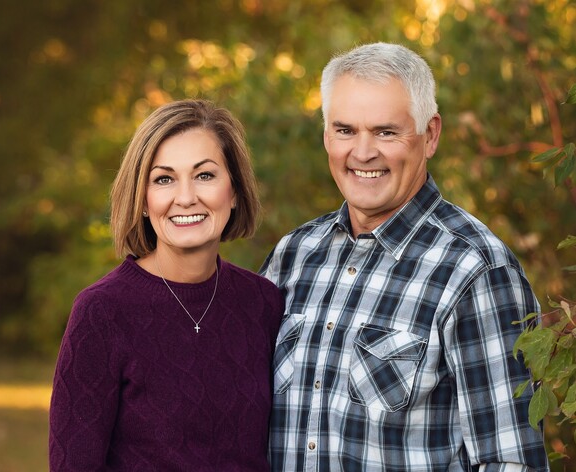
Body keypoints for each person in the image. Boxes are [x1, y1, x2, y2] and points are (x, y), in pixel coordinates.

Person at [260, 42, 549, 471]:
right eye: (345, 130)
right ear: (325, 135)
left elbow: (509, 461)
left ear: (430, 135)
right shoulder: (294, 256)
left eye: (385, 132)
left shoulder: (475, 271)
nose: (362, 153)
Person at [49, 99, 285, 471]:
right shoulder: (102, 312)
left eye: (205, 175)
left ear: (235, 191)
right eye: (164, 179)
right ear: (143, 201)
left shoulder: (263, 303)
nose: (186, 197)